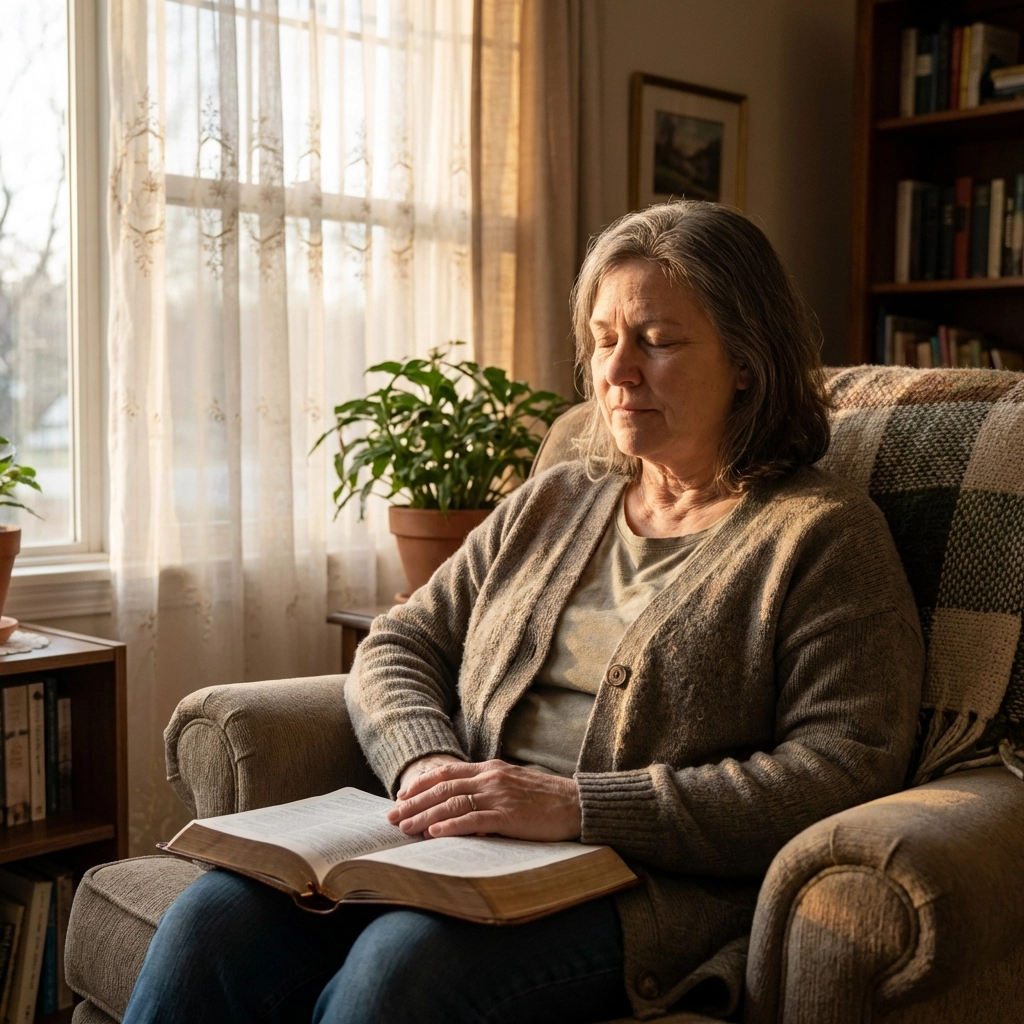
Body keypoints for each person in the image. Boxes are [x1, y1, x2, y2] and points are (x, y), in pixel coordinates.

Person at [122, 202, 925, 1024]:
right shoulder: (555, 500)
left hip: (635, 888)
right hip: (453, 848)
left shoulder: (822, 537)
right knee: (208, 921)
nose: (617, 372)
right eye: (605, 339)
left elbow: (842, 767)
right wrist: (424, 762)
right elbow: (402, 640)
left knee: (399, 972)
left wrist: (578, 805)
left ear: (748, 359)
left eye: (658, 339)